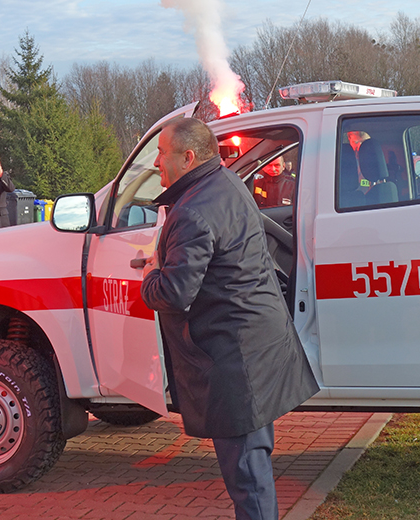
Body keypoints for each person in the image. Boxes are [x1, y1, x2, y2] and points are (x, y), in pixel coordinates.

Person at [140, 118, 319, 520]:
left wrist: (151, 273)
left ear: (187, 157)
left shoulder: (192, 211)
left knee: (248, 479)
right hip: (255, 346)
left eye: (162, 153)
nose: (155, 162)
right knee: (253, 467)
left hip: (235, 360)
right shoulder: (227, 182)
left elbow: (173, 294)